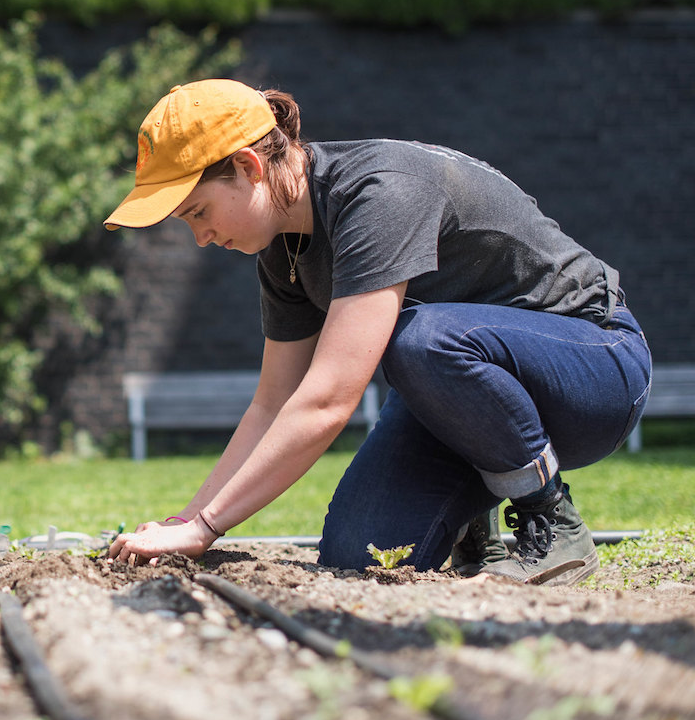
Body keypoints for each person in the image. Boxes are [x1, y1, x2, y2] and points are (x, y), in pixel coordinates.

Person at [104, 79, 651, 585]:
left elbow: (328, 400)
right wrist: (183, 523)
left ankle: (550, 520)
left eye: (198, 212)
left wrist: (206, 525)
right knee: (357, 554)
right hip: (459, 398)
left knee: (422, 338)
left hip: (596, 365)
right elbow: (275, 402)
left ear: (249, 166)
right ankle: (474, 533)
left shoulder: (378, 193)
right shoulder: (283, 249)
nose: (200, 237)